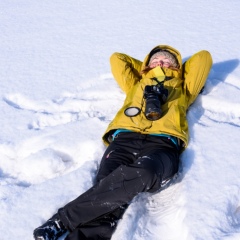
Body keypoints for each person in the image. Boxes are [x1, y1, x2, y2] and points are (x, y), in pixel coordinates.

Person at [33, 45, 212, 240]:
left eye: (167, 61)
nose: (160, 63)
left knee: (144, 173)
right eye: (156, 61)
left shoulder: (184, 87)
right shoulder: (136, 83)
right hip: (124, 140)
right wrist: (148, 71)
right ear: (145, 66)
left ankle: (62, 220)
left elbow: (203, 58)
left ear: (177, 67)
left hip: (163, 144)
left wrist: (173, 71)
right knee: (108, 190)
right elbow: (117, 59)